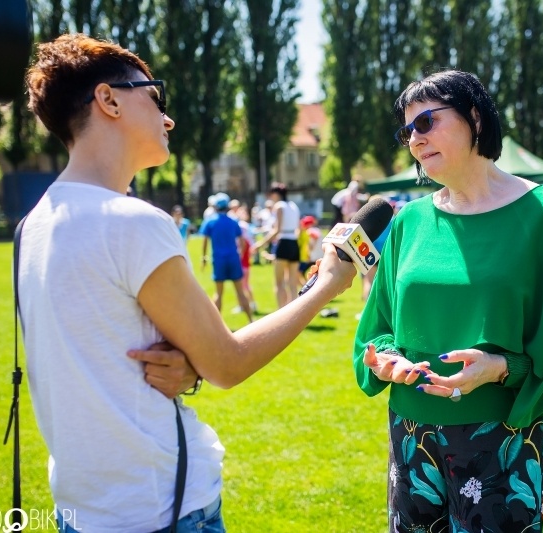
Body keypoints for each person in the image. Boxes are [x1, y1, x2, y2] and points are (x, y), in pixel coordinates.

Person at [19, 33, 355, 533]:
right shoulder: (131, 222)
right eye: (154, 97)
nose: (168, 118)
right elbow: (228, 363)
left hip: (83, 510)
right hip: (163, 507)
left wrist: (189, 369)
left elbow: (112, 355)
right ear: (108, 99)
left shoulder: (33, 223)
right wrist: (326, 282)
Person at [353, 70, 543, 532]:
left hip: (505, 436)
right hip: (411, 435)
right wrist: (385, 358)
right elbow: (379, 325)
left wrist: (501, 367)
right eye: (406, 130)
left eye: (426, 122)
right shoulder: (408, 220)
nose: (414, 139)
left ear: (474, 117)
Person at [199, 193, 254, 323]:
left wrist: (204, 258)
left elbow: (205, 241)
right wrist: (239, 255)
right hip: (233, 259)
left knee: (218, 294)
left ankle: (215, 325)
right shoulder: (233, 221)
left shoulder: (210, 221)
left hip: (218, 260)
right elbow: (242, 242)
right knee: (240, 292)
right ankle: (251, 321)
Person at [253, 182, 301, 308]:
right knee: (292, 283)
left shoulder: (279, 206)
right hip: (294, 243)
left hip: (284, 243)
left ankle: (281, 312)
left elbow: (277, 229)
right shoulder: (293, 206)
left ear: (276, 194)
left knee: (279, 282)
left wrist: (260, 244)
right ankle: (295, 311)